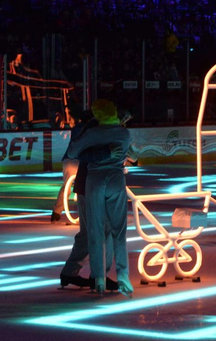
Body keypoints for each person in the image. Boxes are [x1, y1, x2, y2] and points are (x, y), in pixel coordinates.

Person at [66, 99, 133, 296]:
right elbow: (135, 156)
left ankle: (98, 279)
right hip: (113, 180)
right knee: (115, 231)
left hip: (93, 182)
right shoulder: (123, 133)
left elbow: (72, 152)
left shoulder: (92, 133)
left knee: (94, 232)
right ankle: (120, 275)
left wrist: (99, 152)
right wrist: (109, 153)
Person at [59, 110, 120, 290]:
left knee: (89, 233)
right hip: (93, 187)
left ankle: (70, 272)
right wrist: (107, 152)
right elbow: (80, 153)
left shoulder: (96, 131)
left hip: (90, 186)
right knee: (105, 231)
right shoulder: (95, 132)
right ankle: (99, 276)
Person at [50, 112, 87, 223]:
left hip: (70, 159)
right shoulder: (91, 129)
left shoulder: (77, 129)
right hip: (79, 160)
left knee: (67, 186)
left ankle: (56, 212)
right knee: (86, 186)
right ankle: (87, 213)